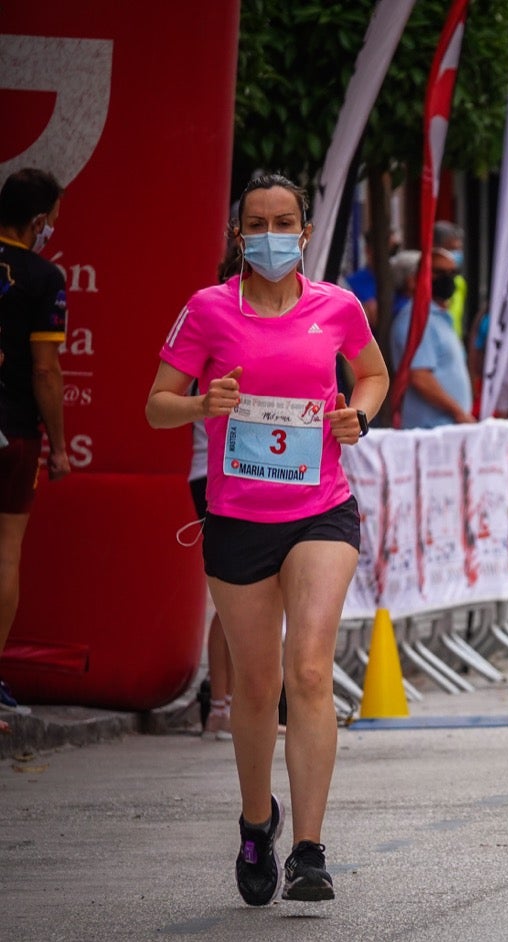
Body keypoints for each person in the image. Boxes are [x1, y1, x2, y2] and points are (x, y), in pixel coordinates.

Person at [145, 173, 390, 904]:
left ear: (306, 232)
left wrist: (360, 416)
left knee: (309, 670)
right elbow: (156, 406)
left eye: (285, 221)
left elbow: (372, 374)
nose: (272, 234)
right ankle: (259, 823)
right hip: (240, 517)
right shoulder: (208, 310)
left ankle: (309, 849)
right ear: (239, 234)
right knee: (256, 685)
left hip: (321, 511)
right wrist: (200, 402)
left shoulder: (337, 306)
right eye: (258, 223)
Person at [0, 168, 70, 712]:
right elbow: (46, 372)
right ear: (39, 222)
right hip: (13, 431)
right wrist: (62, 447)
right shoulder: (43, 277)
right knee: (5, 556)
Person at [395, 263, 475, 428]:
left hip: (448, 428)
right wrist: (458, 412)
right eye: (439, 272)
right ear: (413, 279)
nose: (448, 277)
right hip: (430, 431)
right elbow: (420, 377)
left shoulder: (440, 318)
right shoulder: (416, 320)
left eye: (453, 272)